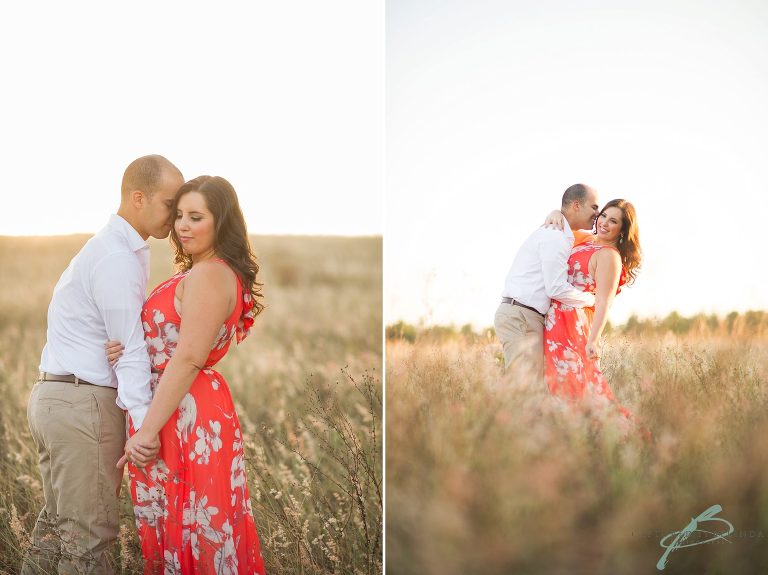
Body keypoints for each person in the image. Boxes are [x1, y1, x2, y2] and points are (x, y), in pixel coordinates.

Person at [22, 155, 185, 574]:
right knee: (89, 541)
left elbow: (119, 339)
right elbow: (129, 348)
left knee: (57, 531)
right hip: (83, 407)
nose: (176, 214)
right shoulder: (116, 257)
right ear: (138, 198)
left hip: (57, 397)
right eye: (170, 203)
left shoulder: (110, 248)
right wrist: (146, 428)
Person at [108, 175, 267, 573]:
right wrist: (128, 351)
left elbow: (189, 356)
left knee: (194, 523)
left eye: (196, 217)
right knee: (178, 523)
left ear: (221, 222)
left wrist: (146, 430)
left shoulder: (211, 273)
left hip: (184, 411)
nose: (182, 226)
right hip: (175, 402)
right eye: (179, 215)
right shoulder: (200, 271)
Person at [543, 199, 642, 422]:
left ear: (623, 230)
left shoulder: (609, 256)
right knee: (554, 382)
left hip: (572, 324)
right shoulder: (585, 240)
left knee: (578, 383)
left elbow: (604, 302)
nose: (605, 223)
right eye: (604, 215)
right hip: (553, 318)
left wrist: (594, 340)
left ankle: (613, 435)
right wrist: (554, 212)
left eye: (613, 221)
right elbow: (558, 226)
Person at [494, 184, 599, 382]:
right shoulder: (555, 236)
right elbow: (556, 288)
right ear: (576, 205)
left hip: (524, 315)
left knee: (529, 386)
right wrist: (591, 300)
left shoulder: (562, 234)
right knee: (523, 387)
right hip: (522, 316)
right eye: (594, 207)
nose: (597, 212)